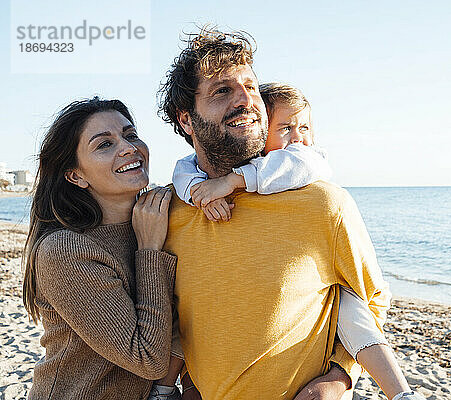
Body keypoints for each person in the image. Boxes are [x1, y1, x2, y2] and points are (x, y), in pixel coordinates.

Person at [156, 27, 402, 400]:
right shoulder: (169, 210)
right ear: (186, 119)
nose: (246, 100)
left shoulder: (323, 203)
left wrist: (338, 379)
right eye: (223, 91)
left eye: (251, 87)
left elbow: (370, 298)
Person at [22, 97, 178, 400]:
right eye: (104, 144)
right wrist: (149, 250)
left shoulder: (157, 220)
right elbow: (148, 358)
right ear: (76, 175)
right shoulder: (64, 250)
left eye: (130, 135)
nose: (128, 147)